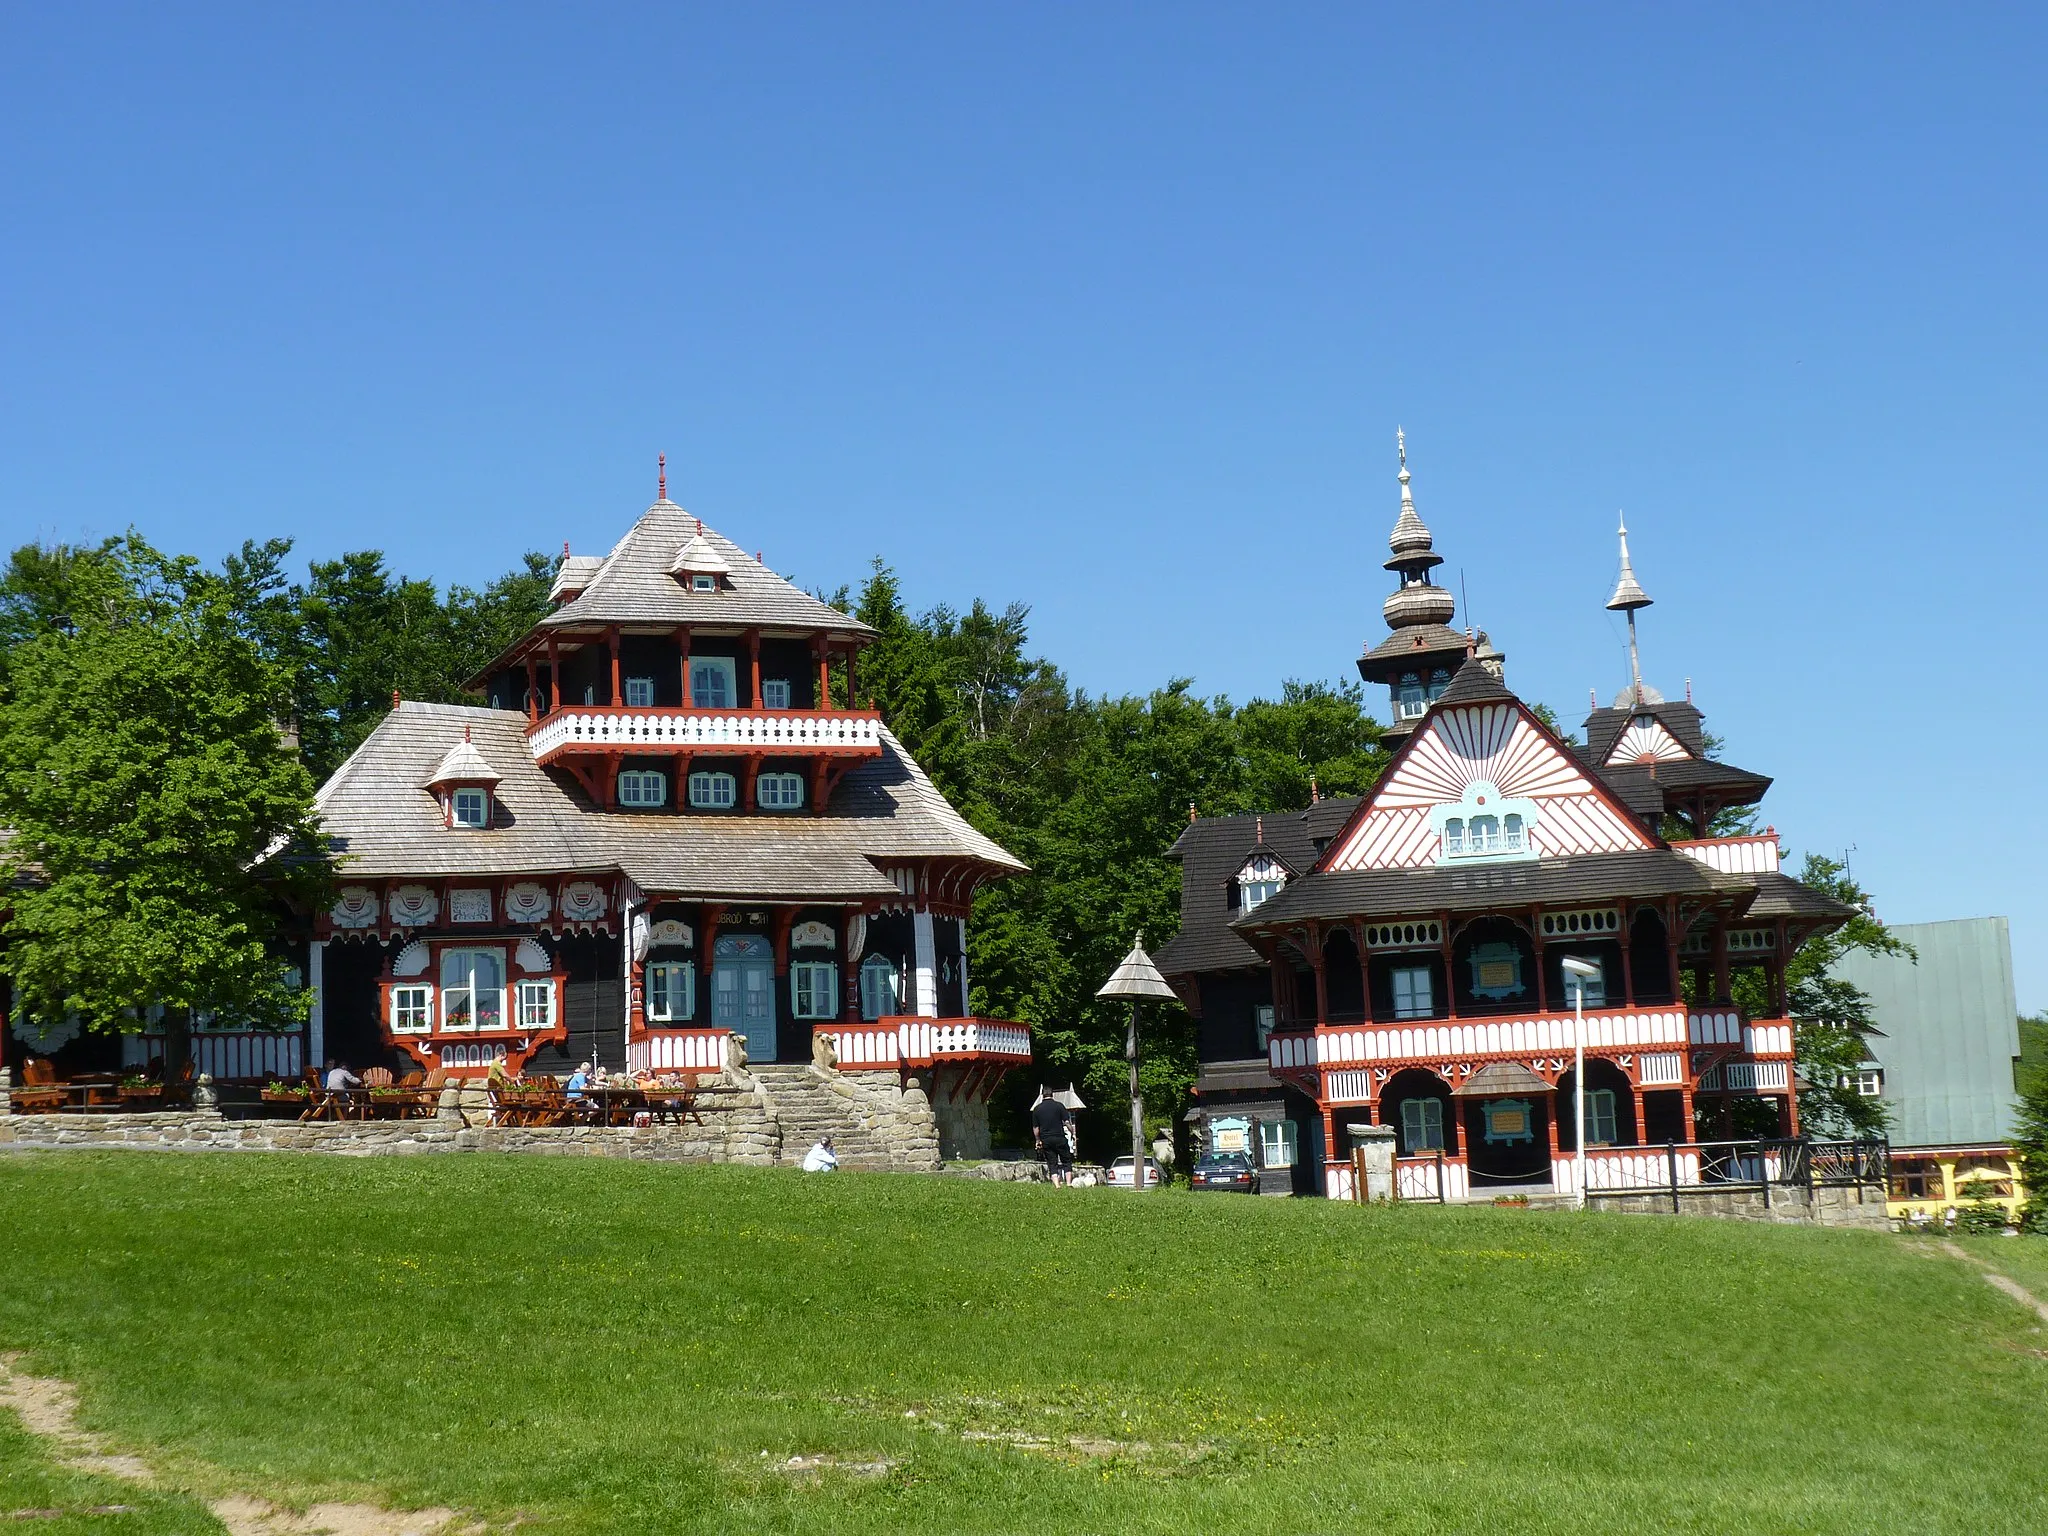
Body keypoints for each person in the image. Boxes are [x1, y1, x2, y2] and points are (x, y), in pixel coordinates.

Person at [1032, 1088, 1073, 1187]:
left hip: (1046, 1139)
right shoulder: (1059, 1106)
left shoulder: (1037, 1109)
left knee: (1052, 1162)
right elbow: (1067, 1122)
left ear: (1042, 1095)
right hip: (1059, 1137)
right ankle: (1068, 1183)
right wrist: (1073, 1133)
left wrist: (1038, 1140)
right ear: (1052, 1094)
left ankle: (1057, 1185)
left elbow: (1036, 1128)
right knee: (1066, 1161)